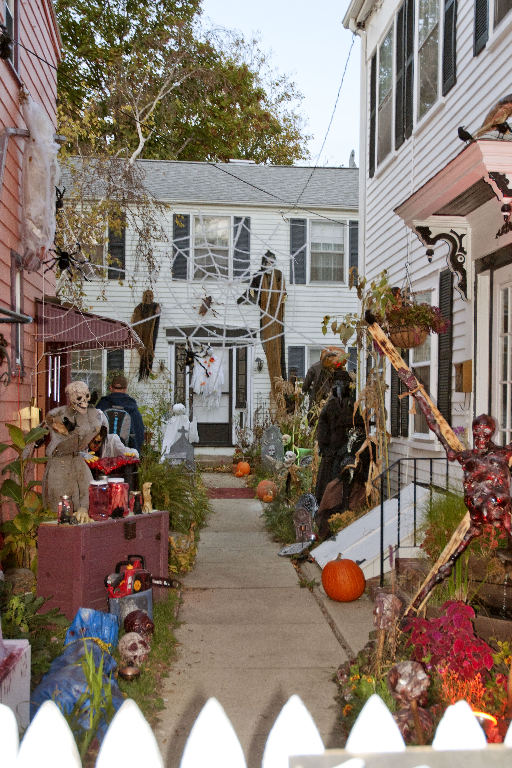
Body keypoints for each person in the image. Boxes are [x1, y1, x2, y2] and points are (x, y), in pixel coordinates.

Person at [96, 374, 145, 453]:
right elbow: (139, 433)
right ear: (125, 389)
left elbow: (93, 428)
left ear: (111, 388)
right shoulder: (132, 407)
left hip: (103, 453)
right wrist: (136, 452)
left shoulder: (102, 404)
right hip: (126, 454)